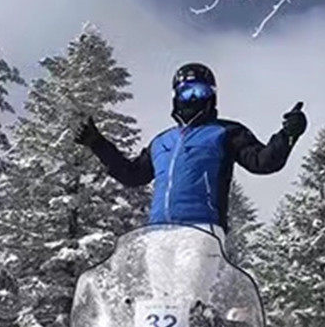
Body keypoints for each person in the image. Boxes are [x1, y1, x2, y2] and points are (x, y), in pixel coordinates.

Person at [74, 62, 307, 237]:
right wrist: (98, 144)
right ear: (176, 96)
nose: (193, 99)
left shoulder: (226, 133)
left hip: (203, 231)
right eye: (187, 92)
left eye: (200, 92)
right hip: (159, 232)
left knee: (192, 297)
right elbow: (133, 175)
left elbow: (263, 162)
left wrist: (288, 135)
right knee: (158, 299)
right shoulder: (162, 141)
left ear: (211, 97)